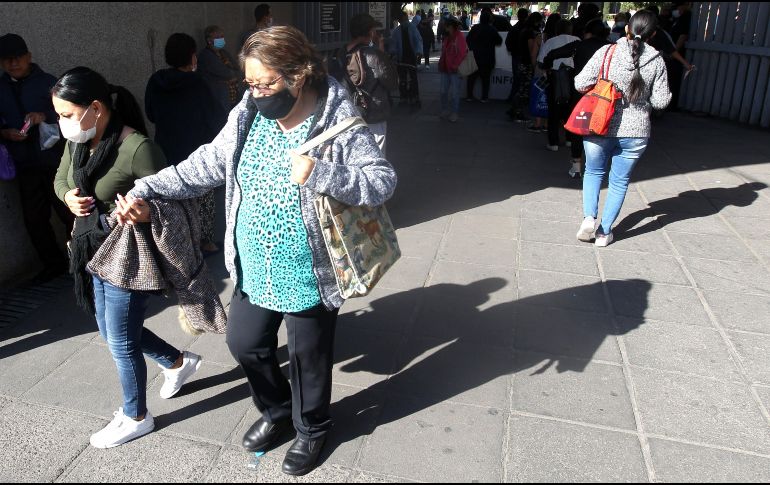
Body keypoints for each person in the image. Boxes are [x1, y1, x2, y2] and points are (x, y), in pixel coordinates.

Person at [120, 26, 396, 476]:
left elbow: (381, 180)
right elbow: (208, 162)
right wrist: (147, 187)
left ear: (298, 74)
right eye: (250, 82)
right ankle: (276, 410)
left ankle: (312, 428)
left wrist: (322, 173)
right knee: (244, 342)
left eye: (265, 82)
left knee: (309, 358)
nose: (256, 92)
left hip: (309, 266)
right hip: (253, 261)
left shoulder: (337, 119)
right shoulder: (248, 112)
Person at [51, 67, 201, 448]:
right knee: (109, 330)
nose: (62, 123)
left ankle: (136, 415)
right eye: (59, 115)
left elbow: (176, 198)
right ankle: (178, 362)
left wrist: (148, 213)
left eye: (67, 114)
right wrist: (68, 196)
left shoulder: (137, 148)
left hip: (129, 257)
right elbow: (61, 179)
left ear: (95, 108)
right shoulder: (78, 142)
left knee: (120, 341)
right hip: (90, 249)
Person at [574, 10, 671, 247]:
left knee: (593, 172)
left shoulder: (607, 52)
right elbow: (660, 102)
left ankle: (589, 218)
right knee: (619, 181)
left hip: (600, 124)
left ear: (627, 28)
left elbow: (579, 83)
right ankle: (605, 233)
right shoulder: (657, 61)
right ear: (654, 34)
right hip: (636, 131)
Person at [145, 33, 227, 254]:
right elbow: (216, 118)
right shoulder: (198, 82)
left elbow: (150, 114)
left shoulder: (155, 81)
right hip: (195, 151)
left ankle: (180, 241)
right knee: (203, 200)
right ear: (192, 57)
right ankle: (205, 242)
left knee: (173, 197)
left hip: (166, 148)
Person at [0, 33, 72, 282]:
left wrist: (45, 117)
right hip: (25, 163)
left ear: (29, 57)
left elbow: (70, 115)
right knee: (34, 218)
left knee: (68, 212)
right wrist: (5, 133)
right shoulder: (1, 88)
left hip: (54, 161)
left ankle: (85, 259)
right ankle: (53, 265)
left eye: (18, 58)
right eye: (7, 60)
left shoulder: (48, 82)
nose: (13, 64)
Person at [544, 18, 612, 177]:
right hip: (605, 93)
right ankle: (598, 164)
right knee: (602, 127)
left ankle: (576, 165)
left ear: (587, 33)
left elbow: (553, 54)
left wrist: (547, 66)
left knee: (579, 127)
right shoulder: (612, 48)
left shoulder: (579, 45)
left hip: (581, 93)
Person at [329, 13, 397, 154]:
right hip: (372, 114)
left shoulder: (338, 53)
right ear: (371, 32)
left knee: (352, 155)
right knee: (376, 156)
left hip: (346, 114)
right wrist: (381, 47)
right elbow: (391, 82)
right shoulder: (374, 55)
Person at [538, 20, 581, 163]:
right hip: (573, 79)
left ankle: (554, 142)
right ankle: (569, 139)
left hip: (555, 78)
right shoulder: (578, 41)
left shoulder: (550, 42)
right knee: (572, 110)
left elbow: (541, 61)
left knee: (554, 111)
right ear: (570, 29)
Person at [197, 25, 244, 113]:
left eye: (222, 36)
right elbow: (226, 73)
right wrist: (232, 75)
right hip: (218, 98)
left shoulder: (223, 52)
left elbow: (237, 67)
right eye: (218, 37)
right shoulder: (206, 55)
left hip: (232, 95)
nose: (221, 39)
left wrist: (233, 74)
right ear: (209, 40)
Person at [465, 8, 503, 103]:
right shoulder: (492, 29)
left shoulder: (475, 28)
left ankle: (469, 96)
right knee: (485, 79)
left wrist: (472, 47)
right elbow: (499, 41)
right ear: (489, 19)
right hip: (488, 57)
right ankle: (484, 97)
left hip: (475, 56)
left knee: (472, 78)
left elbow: (468, 39)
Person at [389, 11, 422, 109]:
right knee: (402, 79)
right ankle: (403, 97)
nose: (403, 20)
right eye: (401, 19)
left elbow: (418, 40)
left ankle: (414, 97)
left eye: (404, 18)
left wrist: (419, 52)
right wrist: (393, 53)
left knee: (413, 78)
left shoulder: (413, 28)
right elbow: (393, 44)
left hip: (411, 57)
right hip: (401, 58)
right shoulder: (396, 31)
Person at [438, 18, 468, 122]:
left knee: (455, 93)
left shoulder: (459, 37)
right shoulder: (447, 37)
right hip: (445, 68)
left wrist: (456, 65)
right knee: (443, 91)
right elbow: (444, 52)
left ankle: (455, 112)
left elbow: (462, 53)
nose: (444, 28)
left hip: (455, 69)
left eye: (446, 26)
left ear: (450, 26)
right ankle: (445, 110)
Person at [506, 8, 531, 121]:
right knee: (523, 82)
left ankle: (513, 102)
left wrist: (513, 50)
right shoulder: (527, 29)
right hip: (524, 57)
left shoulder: (515, 28)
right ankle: (516, 107)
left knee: (517, 79)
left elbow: (508, 42)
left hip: (516, 56)